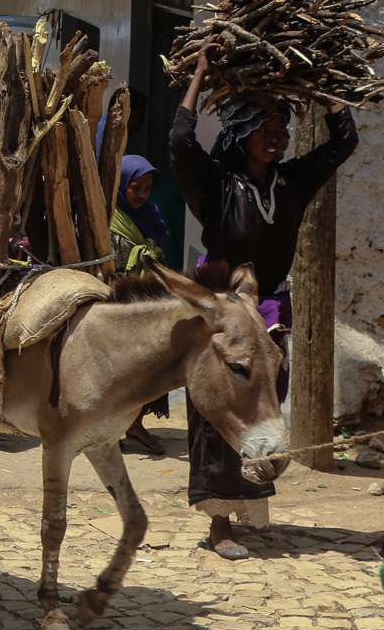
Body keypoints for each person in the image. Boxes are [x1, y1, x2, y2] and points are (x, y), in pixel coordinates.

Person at [171, 35, 359, 560]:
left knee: (262, 410)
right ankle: (219, 523)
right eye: (265, 130)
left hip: (271, 308)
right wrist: (202, 73)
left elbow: (344, 141)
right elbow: (181, 143)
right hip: (222, 312)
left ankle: (249, 503)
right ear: (243, 134)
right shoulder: (216, 185)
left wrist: (321, 89)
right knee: (216, 410)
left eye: (281, 130)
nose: (275, 139)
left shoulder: (293, 181)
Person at [109, 155, 171, 455]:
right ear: (121, 185)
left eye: (147, 188)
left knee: (148, 365)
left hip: (147, 301)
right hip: (117, 301)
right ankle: (111, 427)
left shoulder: (151, 214)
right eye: (135, 187)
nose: (142, 194)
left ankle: (134, 422)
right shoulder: (108, 217)